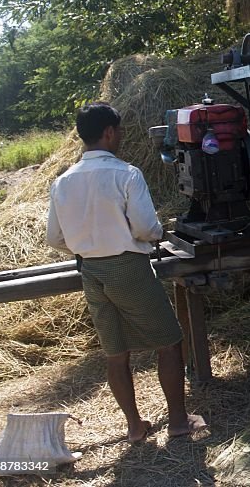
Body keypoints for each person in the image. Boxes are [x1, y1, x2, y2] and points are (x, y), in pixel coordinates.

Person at [46, 103, 206, 443]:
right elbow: (148, 228)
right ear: (108, 132)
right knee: (169, 343)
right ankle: (178, 421)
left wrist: (88, 246)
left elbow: (55, 238)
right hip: (127, 267)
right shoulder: (126, 173)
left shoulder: (62, 181)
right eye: (118, 131)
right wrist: (155, 233)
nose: (120, 136)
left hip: (90, 271)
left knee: (116, 353)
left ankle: (135, 427)